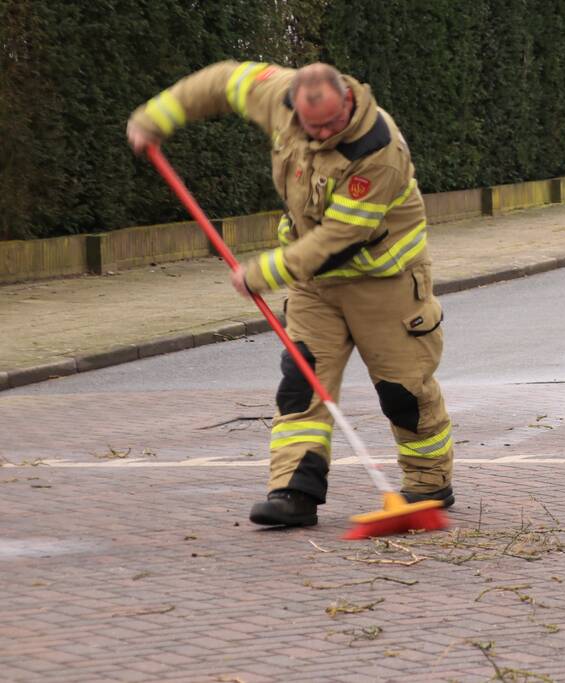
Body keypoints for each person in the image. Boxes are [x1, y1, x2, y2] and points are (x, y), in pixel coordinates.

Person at [127, 61, 455, 526]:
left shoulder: (378, 149)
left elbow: (340, 238)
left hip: (386, 283)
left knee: (404, 392)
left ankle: (429, 483)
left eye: (330, 124)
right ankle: (293, 491)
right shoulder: (278, 94)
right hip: (314, 288)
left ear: (347, 99)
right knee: (301, 385)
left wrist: (264, 271)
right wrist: (155, 117)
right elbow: (220, 82)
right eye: (311, 125)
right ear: (294, 104)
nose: (320, 134)